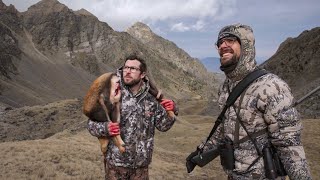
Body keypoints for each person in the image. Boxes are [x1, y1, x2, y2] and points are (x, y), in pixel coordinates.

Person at [186, 23, 312, 179]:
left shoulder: (272, 87)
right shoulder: (226, 88)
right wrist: (200, 153)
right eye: (219, 43)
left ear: (245, 46)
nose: (222, 45)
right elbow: (223, 130)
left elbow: (290, 147)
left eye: (230, 40)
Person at [87, 54, 177, 179]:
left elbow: (164, 126)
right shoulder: (112, 93)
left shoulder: (151, 98)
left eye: (133, 69)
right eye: (126, 68)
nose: (128, 72)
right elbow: (91, 124)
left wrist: (172, 110)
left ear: (143, 74)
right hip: (115, 166)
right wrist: (106, 128)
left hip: (141, 169)